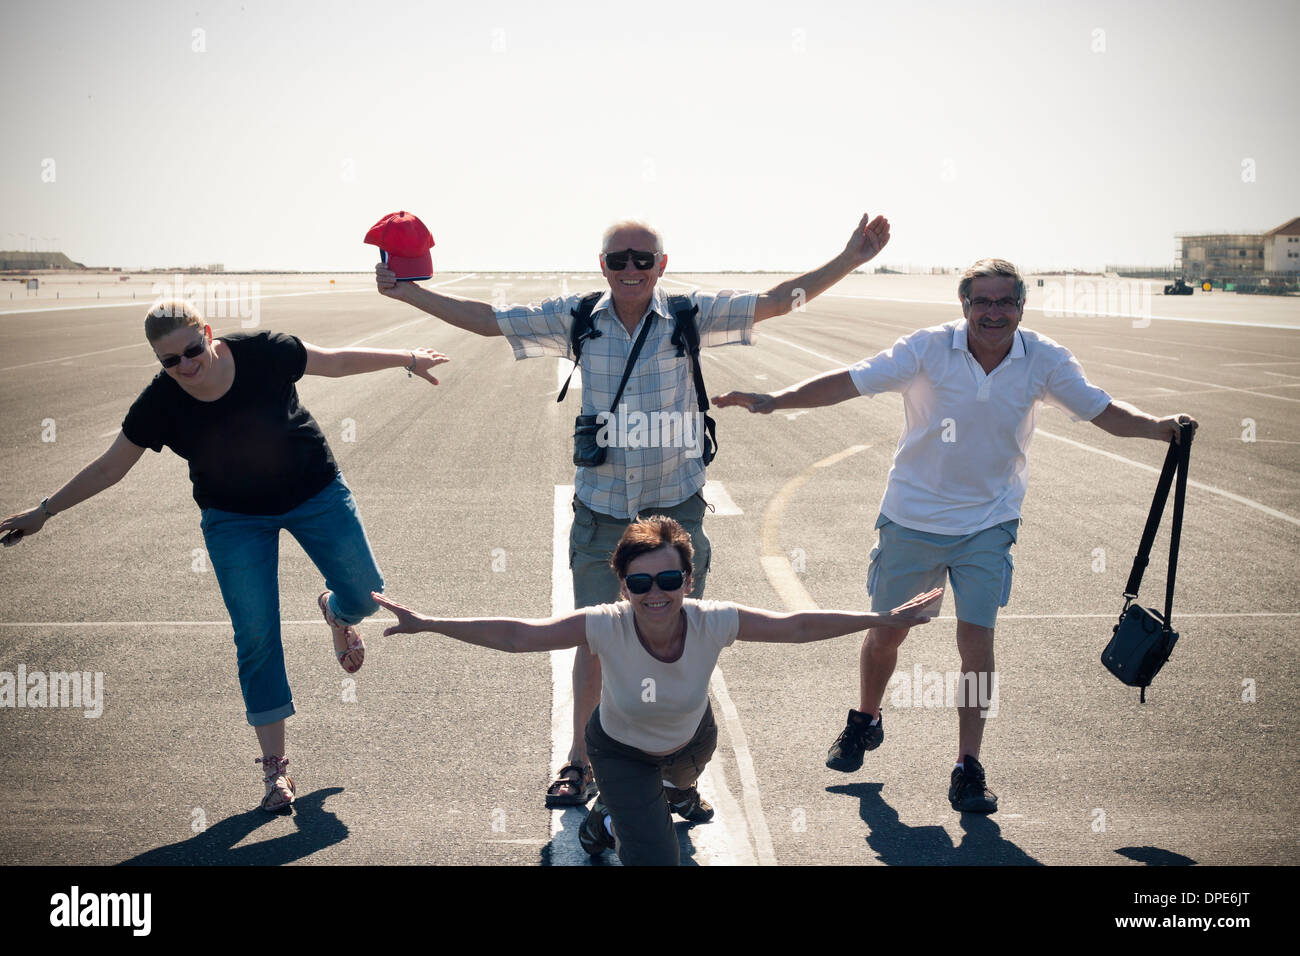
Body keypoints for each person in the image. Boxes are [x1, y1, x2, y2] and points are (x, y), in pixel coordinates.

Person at [375, 213, 892, 808]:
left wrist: (850, 257)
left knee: (681, 642)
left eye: (642, 260)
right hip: (603, 511)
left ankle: (681, 777)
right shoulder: (576, 318)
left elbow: (777, 301)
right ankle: (579, 762)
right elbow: (489, 321)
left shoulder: (691, 316)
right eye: (618, 259)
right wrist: (409, 291)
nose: (630, 269)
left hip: (675, 512)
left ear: (661, 266)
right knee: (594, 641)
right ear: (602, 266)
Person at [714, 258, 1198, 814]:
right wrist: (777, 400)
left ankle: (968, 765)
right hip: (912, 517)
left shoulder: (1042, 358)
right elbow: (849, 381)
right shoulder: (926, 349)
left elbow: (1102, 410)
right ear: (964, 305)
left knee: (977, 647)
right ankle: (865, 719)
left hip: (988, 524)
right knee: (889, 633)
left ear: (1020, 306)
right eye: (982, 301)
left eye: (1005, 302)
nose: (994, 312)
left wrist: (1159, 429)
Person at [0, 301, 449, 812]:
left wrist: (407, 358)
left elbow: (335, 360)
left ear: (208, 334)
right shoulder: (161, 403)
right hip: (234, 519)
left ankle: (337, 613)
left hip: (314, 492)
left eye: (193, 350)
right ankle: (275, 771)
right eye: (170, 361)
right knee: (256, 635)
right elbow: (110, 469)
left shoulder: (264, 353)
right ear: (158, 361)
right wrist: (44, 511)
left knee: (366, 594)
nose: (186, 366)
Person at [372, 515, 941, 865]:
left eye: (669, 579)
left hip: (692, 739)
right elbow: (522, 635)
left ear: (687, 581)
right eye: (640, 582)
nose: (656, 593)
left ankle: (632, 810)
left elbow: (795, 626)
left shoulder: (713, 618)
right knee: (658, 857)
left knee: (678, 781)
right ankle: (614, 817)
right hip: (620, 752)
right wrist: (429, 622)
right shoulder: (604, 623)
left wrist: (880, 618)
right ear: (623, 586)